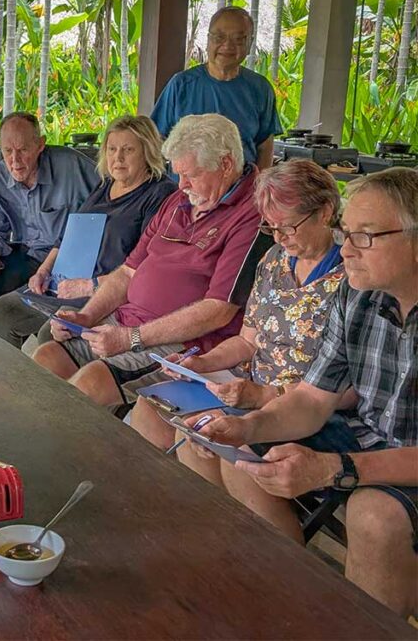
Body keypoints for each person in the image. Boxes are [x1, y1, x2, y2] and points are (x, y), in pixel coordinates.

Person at [189, 167, 417, 617]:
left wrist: (336, 468)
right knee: (241, 451)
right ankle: (284, 596)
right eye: (346, 233)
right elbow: (313, 398)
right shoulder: (357, 295)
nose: (346, 249)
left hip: (401, 455)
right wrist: (246, 427)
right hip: (367, 435)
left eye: (365, 236)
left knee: (374, 515)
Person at [31, 114, 270, 410]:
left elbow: (218, 310)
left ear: (225, 164)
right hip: (128, 321)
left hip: (185, 341)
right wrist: (86, 317)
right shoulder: (179, 200)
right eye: (178, 174)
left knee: (90, 384)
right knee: (46, 359)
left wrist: (130, 338)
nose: (181, 185)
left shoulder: (252, 213)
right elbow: (127, 273)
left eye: (191, 175)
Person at [128, 159, 345, 451]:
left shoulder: (350, 276)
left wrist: (265, 395)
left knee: (203, 436)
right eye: (271, 227)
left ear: (325, 212)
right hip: (247, 385)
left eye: (288, 227)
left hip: (299, 404)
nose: (279, 238)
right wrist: (203, 363)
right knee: (151, 407)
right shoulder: (274, 260)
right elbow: (247, 341)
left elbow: (346, 386)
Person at [0, 115, 176, 348]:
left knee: (53, 333)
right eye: (112, 149)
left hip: (107, 292)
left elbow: (145, 268)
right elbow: (68, 234)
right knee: (3, 311)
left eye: (128, 150)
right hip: (66, 283)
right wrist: (43, 271)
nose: (118, 158)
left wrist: (90, 285)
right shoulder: (106, 184)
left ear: (147, 152)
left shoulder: (160, 193)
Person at [0, 112, 101, 326]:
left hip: (65, 263)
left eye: (22, 150)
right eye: (7, 151)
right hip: (29, 256)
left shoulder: (73, 167)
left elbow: (112, 199)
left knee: (9, 309)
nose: (15, 160)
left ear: (40, 145)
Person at [151, 7, 282, 170]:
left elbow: (265, 146)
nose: (227, 45)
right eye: (219, 37)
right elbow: (156, 138)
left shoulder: (260, 89)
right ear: (208, 40)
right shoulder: (181, 84)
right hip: (185, 183)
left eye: (238, 39)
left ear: (250, 43)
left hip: (241, 184)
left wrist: (258, 184)